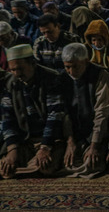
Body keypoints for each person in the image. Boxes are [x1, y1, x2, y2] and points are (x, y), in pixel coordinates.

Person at [0, 45, 65, 179]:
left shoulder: (51, 78)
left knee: (45, 167)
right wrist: (12, 150)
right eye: (12, 70)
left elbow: (55, 115)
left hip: (49, 139)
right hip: (25, 139)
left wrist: (45, 147)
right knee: (7, 168)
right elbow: (7, 118)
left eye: (20, 69)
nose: (17, 74)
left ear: (33, 63)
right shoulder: (11, 83)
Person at [60, 43, 109, 178]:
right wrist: (70, 141)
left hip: (96, 134)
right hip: (74, 133)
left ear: (86, 62)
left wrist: (94, 145)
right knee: (57, 162)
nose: (71, 71)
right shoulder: (62, 78)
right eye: (67, 67)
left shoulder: (100, 75)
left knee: (92, 163)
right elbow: (64, 113)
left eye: (75, 66)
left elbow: (102, 112)